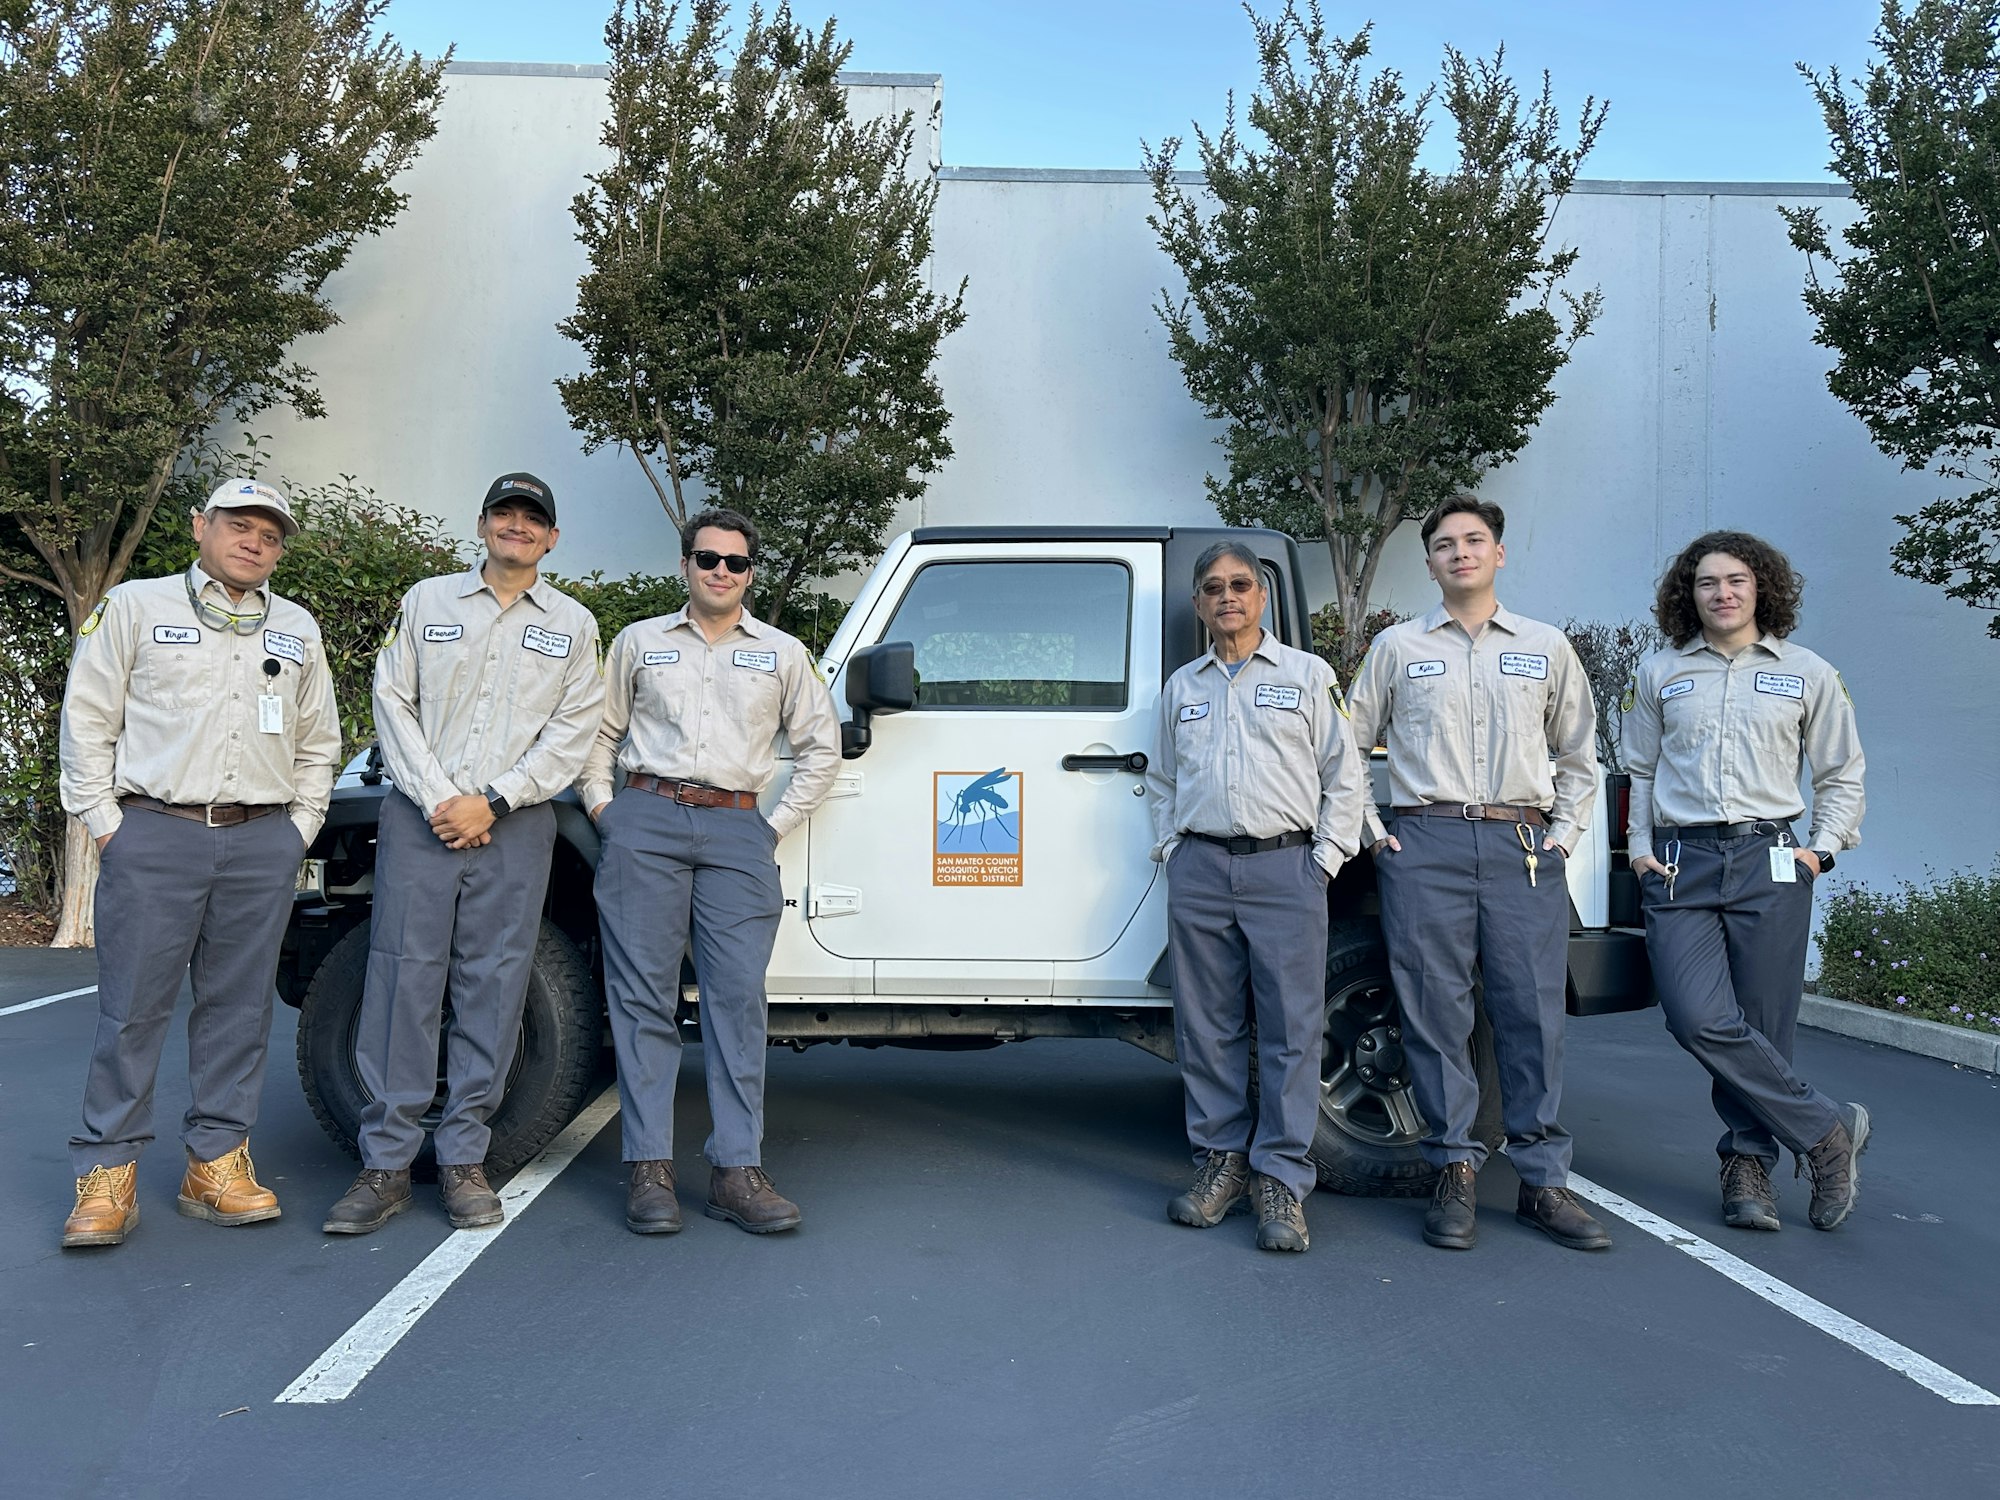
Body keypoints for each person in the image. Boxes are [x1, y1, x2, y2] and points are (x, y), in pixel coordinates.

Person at [56, 478, 341, 1248]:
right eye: (238, 525)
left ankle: (216, 1162)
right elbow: (87, 716)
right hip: (154, 832)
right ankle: (106, 1175)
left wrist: (300, 827)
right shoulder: (138, 608)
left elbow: (319, 741)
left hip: (261, 840)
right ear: (200, 527)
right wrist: (106, 823)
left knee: (238, 1011)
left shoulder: (297, 627)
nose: (254, 542)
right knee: (133, 1009)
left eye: (270, 534)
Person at [322, 473, 604, 1235]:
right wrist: (441, 797)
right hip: (423, 818)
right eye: (504, 514)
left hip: (517, 826)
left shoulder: (575, 626)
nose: (517, 527)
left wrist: (498, 801)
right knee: (400, 983)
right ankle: (383, 1166)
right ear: (482, 525)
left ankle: (463, 1162)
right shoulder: (426, 602)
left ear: (551, 539)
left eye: (532, 519)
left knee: (494, 985)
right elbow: (393, 701)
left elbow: (574, 734)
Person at [1346, 495, 1612, 1253]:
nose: (1459, 552)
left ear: (1499, 554)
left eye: (1474, 540)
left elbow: (1579, 756)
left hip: (1520, 846)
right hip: (1422, 844)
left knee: (1530, 1014)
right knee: (1435, 1015)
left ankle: (1542, 1183)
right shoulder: (1396, 649)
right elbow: (1345, 746)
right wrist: (1374, 833)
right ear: (1429, 562)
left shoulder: (1544, 646)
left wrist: (1561, 837)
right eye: (1444, 544)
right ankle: (1454, 1169)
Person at [580, 507, 839, 1236]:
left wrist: (771, 827)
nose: (720, 571)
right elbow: (599, 734)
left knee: (736, 1003)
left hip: (738, 828)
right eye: (707, 558)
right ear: (685, 566)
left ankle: (735, 1169)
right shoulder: (638, 643)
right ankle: (650, 1170)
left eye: (735, 561)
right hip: (646, 819)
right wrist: (606, 809)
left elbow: (821, 749)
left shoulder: (783, 653)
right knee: (642, 999)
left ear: (751, 573)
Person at [1623, 531, 1869, 1232]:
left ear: (1761, 587)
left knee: (1763, 1022)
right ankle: (1826, 1130)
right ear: (1687, 594)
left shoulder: (1808, 672)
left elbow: (1840, 771)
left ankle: (1748, 1163)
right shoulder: (1662, 673)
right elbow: (1639, 770)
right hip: (1680, 862)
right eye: (1706, 582)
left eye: (1735, 580)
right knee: (1696, 1015)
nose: (1722, 593)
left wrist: (1820, 851)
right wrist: (1640, 848)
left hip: (1771, 857)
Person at [1145, 541, 1365, 1253]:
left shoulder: (1308, 676)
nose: (1228, 597)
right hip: (1202, 869)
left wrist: (1323, 861)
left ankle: (1281, 1178)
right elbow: (1161, 782)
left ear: (1262, 596)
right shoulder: (1184, 688)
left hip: (1286, 869)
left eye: (1241, 585)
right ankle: (1221, 1163)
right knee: (1206, 1028)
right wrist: (1173, 850)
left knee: (1291, 1032)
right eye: (1214, 588)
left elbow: (1345, 775)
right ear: (1199, 604)